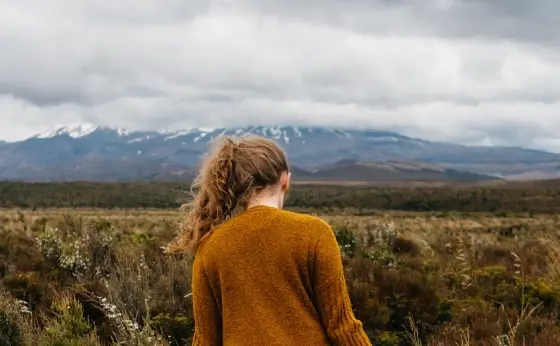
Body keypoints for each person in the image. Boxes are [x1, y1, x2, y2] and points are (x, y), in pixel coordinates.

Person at [167, 135, 371, 346]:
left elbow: (205, 340)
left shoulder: (210, 246)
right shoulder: (314, 233)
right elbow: (342, 327)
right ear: (286, 181)